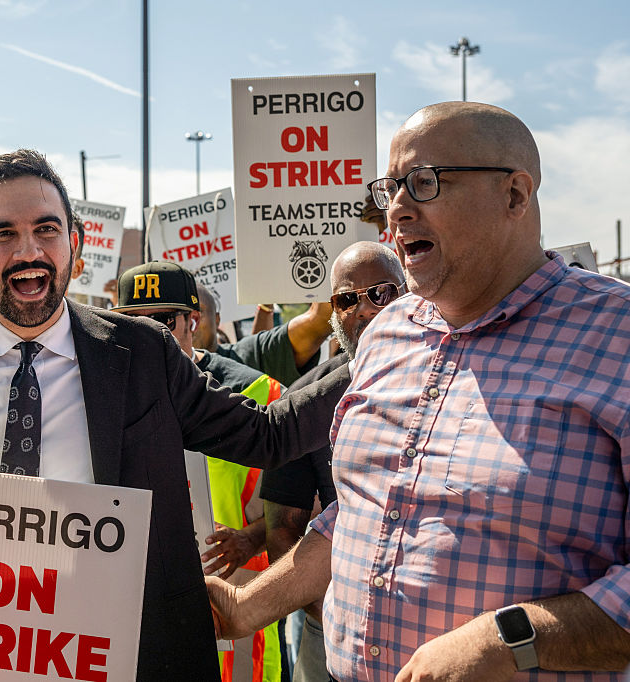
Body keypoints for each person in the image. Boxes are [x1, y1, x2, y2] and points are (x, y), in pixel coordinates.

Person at [0, 149, 339, 680]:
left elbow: (268, 434)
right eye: (2, 234)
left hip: (138, 659)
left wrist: (379, 352)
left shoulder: (146, 354)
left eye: (46, 230)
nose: (29, 252)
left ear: (74, 243)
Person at [208, 102, 630, 681]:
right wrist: (244, 605)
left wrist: (508, 641)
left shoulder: (617, 336)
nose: (398, 209)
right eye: (391, 190)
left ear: (515, 195)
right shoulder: (386, 334)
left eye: (426, 182)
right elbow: (360, 514)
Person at [114, 262, 284, 681]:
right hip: (139, 604)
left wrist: (251, 537)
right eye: (132, 321)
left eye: (162, 321)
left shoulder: (259, 395)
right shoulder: (101, 393)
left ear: (194, 321)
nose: (148, 333)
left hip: (235, 601)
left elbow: (301, 509)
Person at [259, 241, 405, 682]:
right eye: (346, 300)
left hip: (428, 623)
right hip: (331, 629)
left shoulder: (458, 374)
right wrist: (324, 612)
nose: (364, 310)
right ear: (333, 312)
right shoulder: (306, 401)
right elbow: (283, 530)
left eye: (381, 293)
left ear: (408, 294)